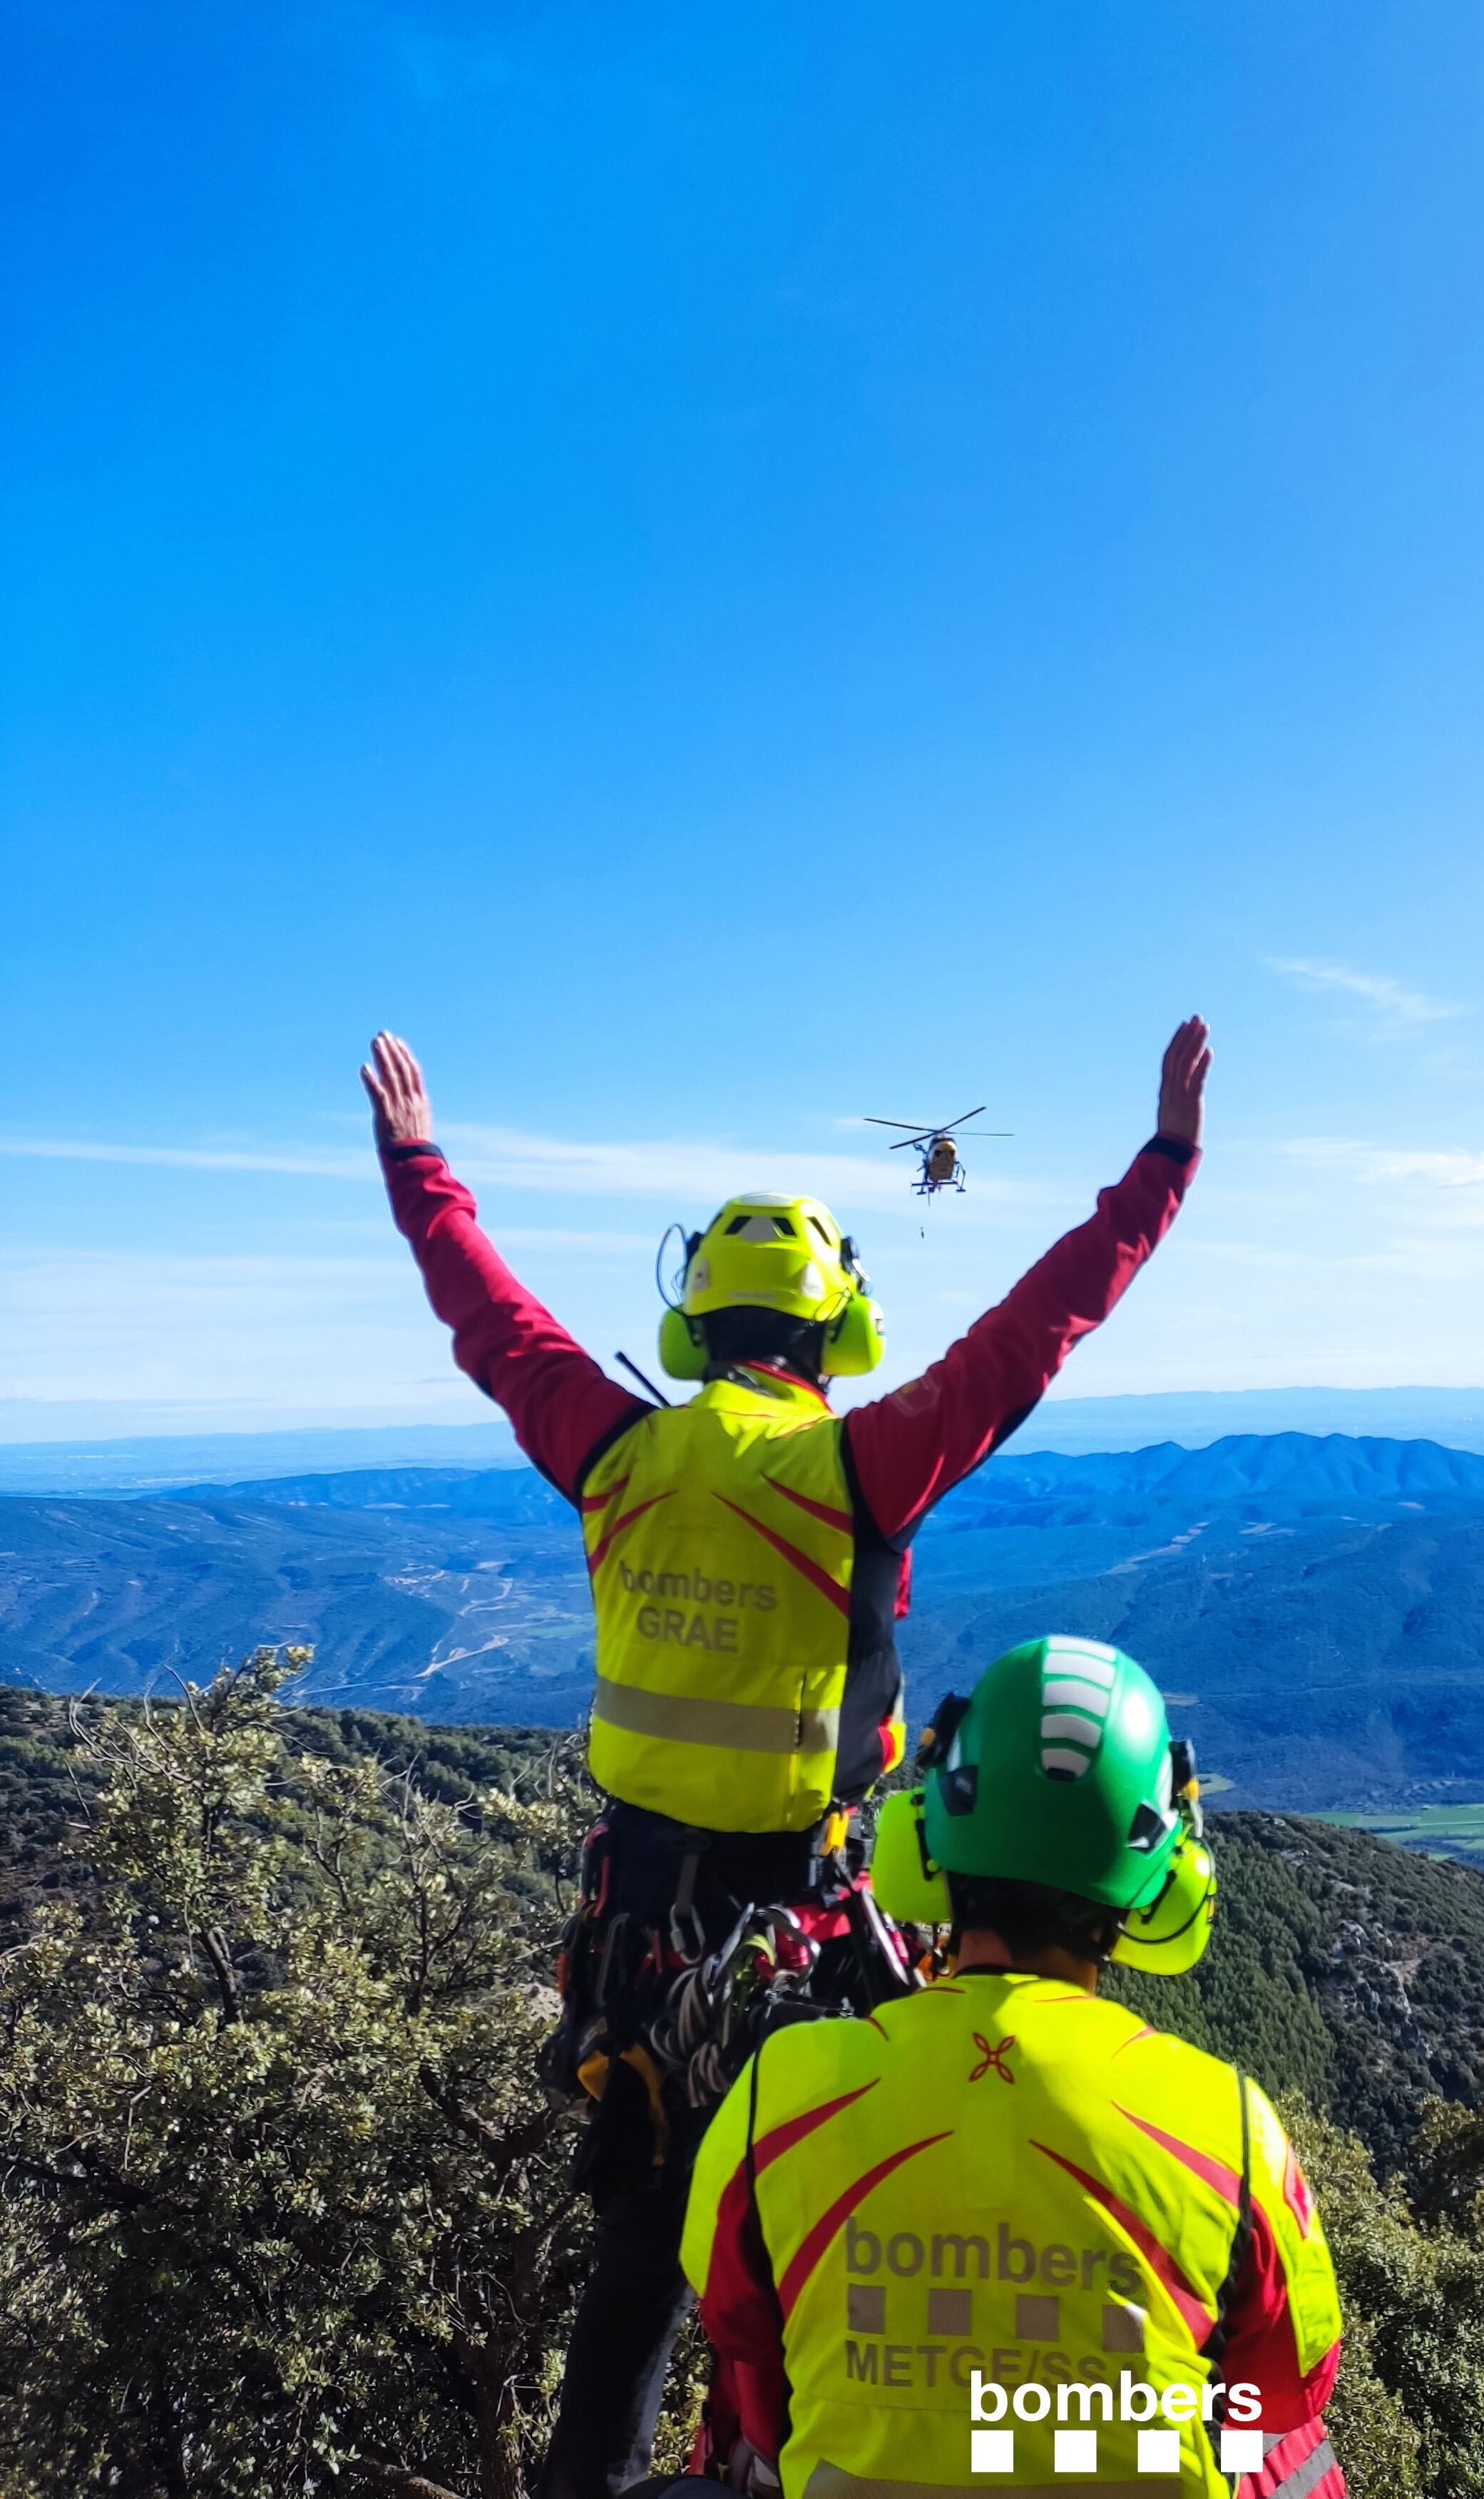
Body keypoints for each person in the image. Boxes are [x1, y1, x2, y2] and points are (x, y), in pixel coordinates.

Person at [360, 1023, 1212, 2499]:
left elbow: (492, 1319)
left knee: (639, 2265)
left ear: (701, 1325)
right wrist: (1162, 1168)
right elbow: (1033, 1332)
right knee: (852, 2218)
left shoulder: (614, 1450)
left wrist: (421, 1166)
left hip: (634, 1935)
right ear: (832, 1334)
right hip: (807, 1936)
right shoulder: (860, 1466)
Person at [677, 1637, 1345, 2499]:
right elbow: (1292, 2380)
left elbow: (736, 2325)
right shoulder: (1230, 2123)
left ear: (933, 1828)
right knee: (1285, 2459)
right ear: (1160, 1863)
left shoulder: (784, 2089)